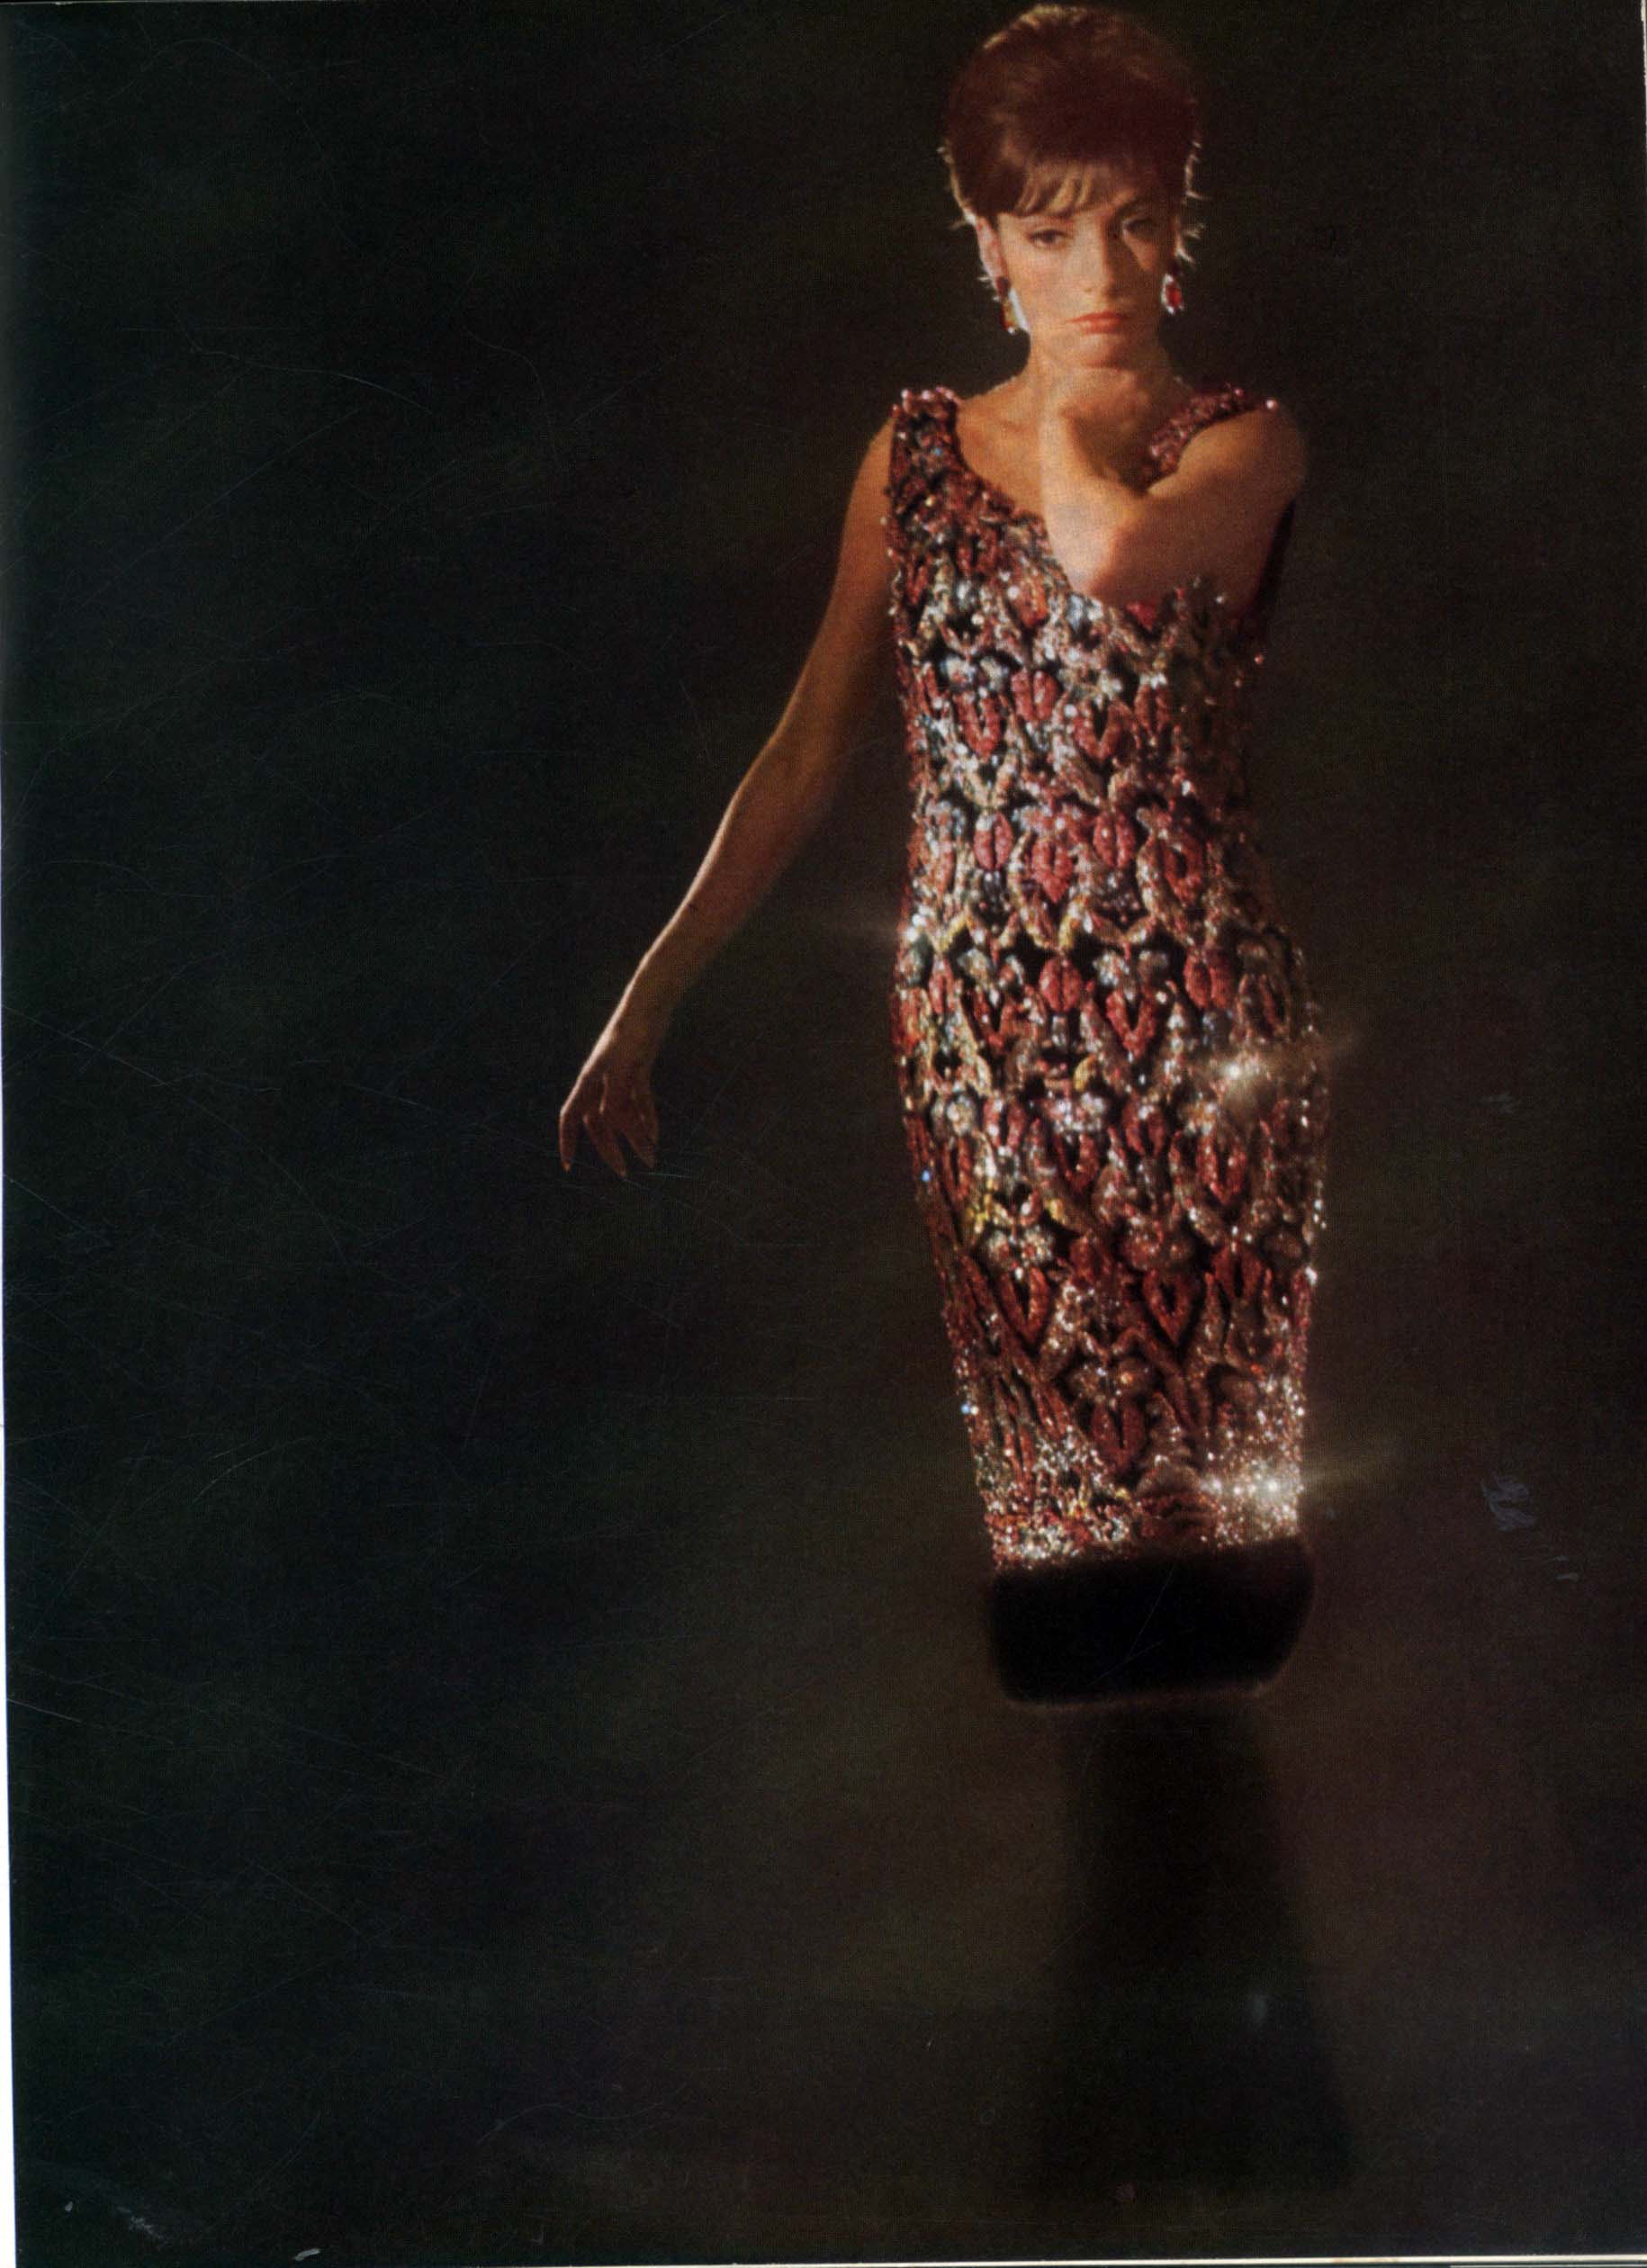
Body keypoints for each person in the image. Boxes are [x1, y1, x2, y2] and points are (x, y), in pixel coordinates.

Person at [559, 4, 1330, 1697]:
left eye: (1132, 221)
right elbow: (802, 753)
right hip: (984, 1040)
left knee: (1220, 1529)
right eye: (1047, 233)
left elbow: (1109, 557)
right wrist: (647, 997)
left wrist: (1067, 401)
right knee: (1058, 1546)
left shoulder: (1242, 441)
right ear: (984, 241)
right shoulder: (908, 461)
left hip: (1201, 1039)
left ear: (1180, 222)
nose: (1096, 270)